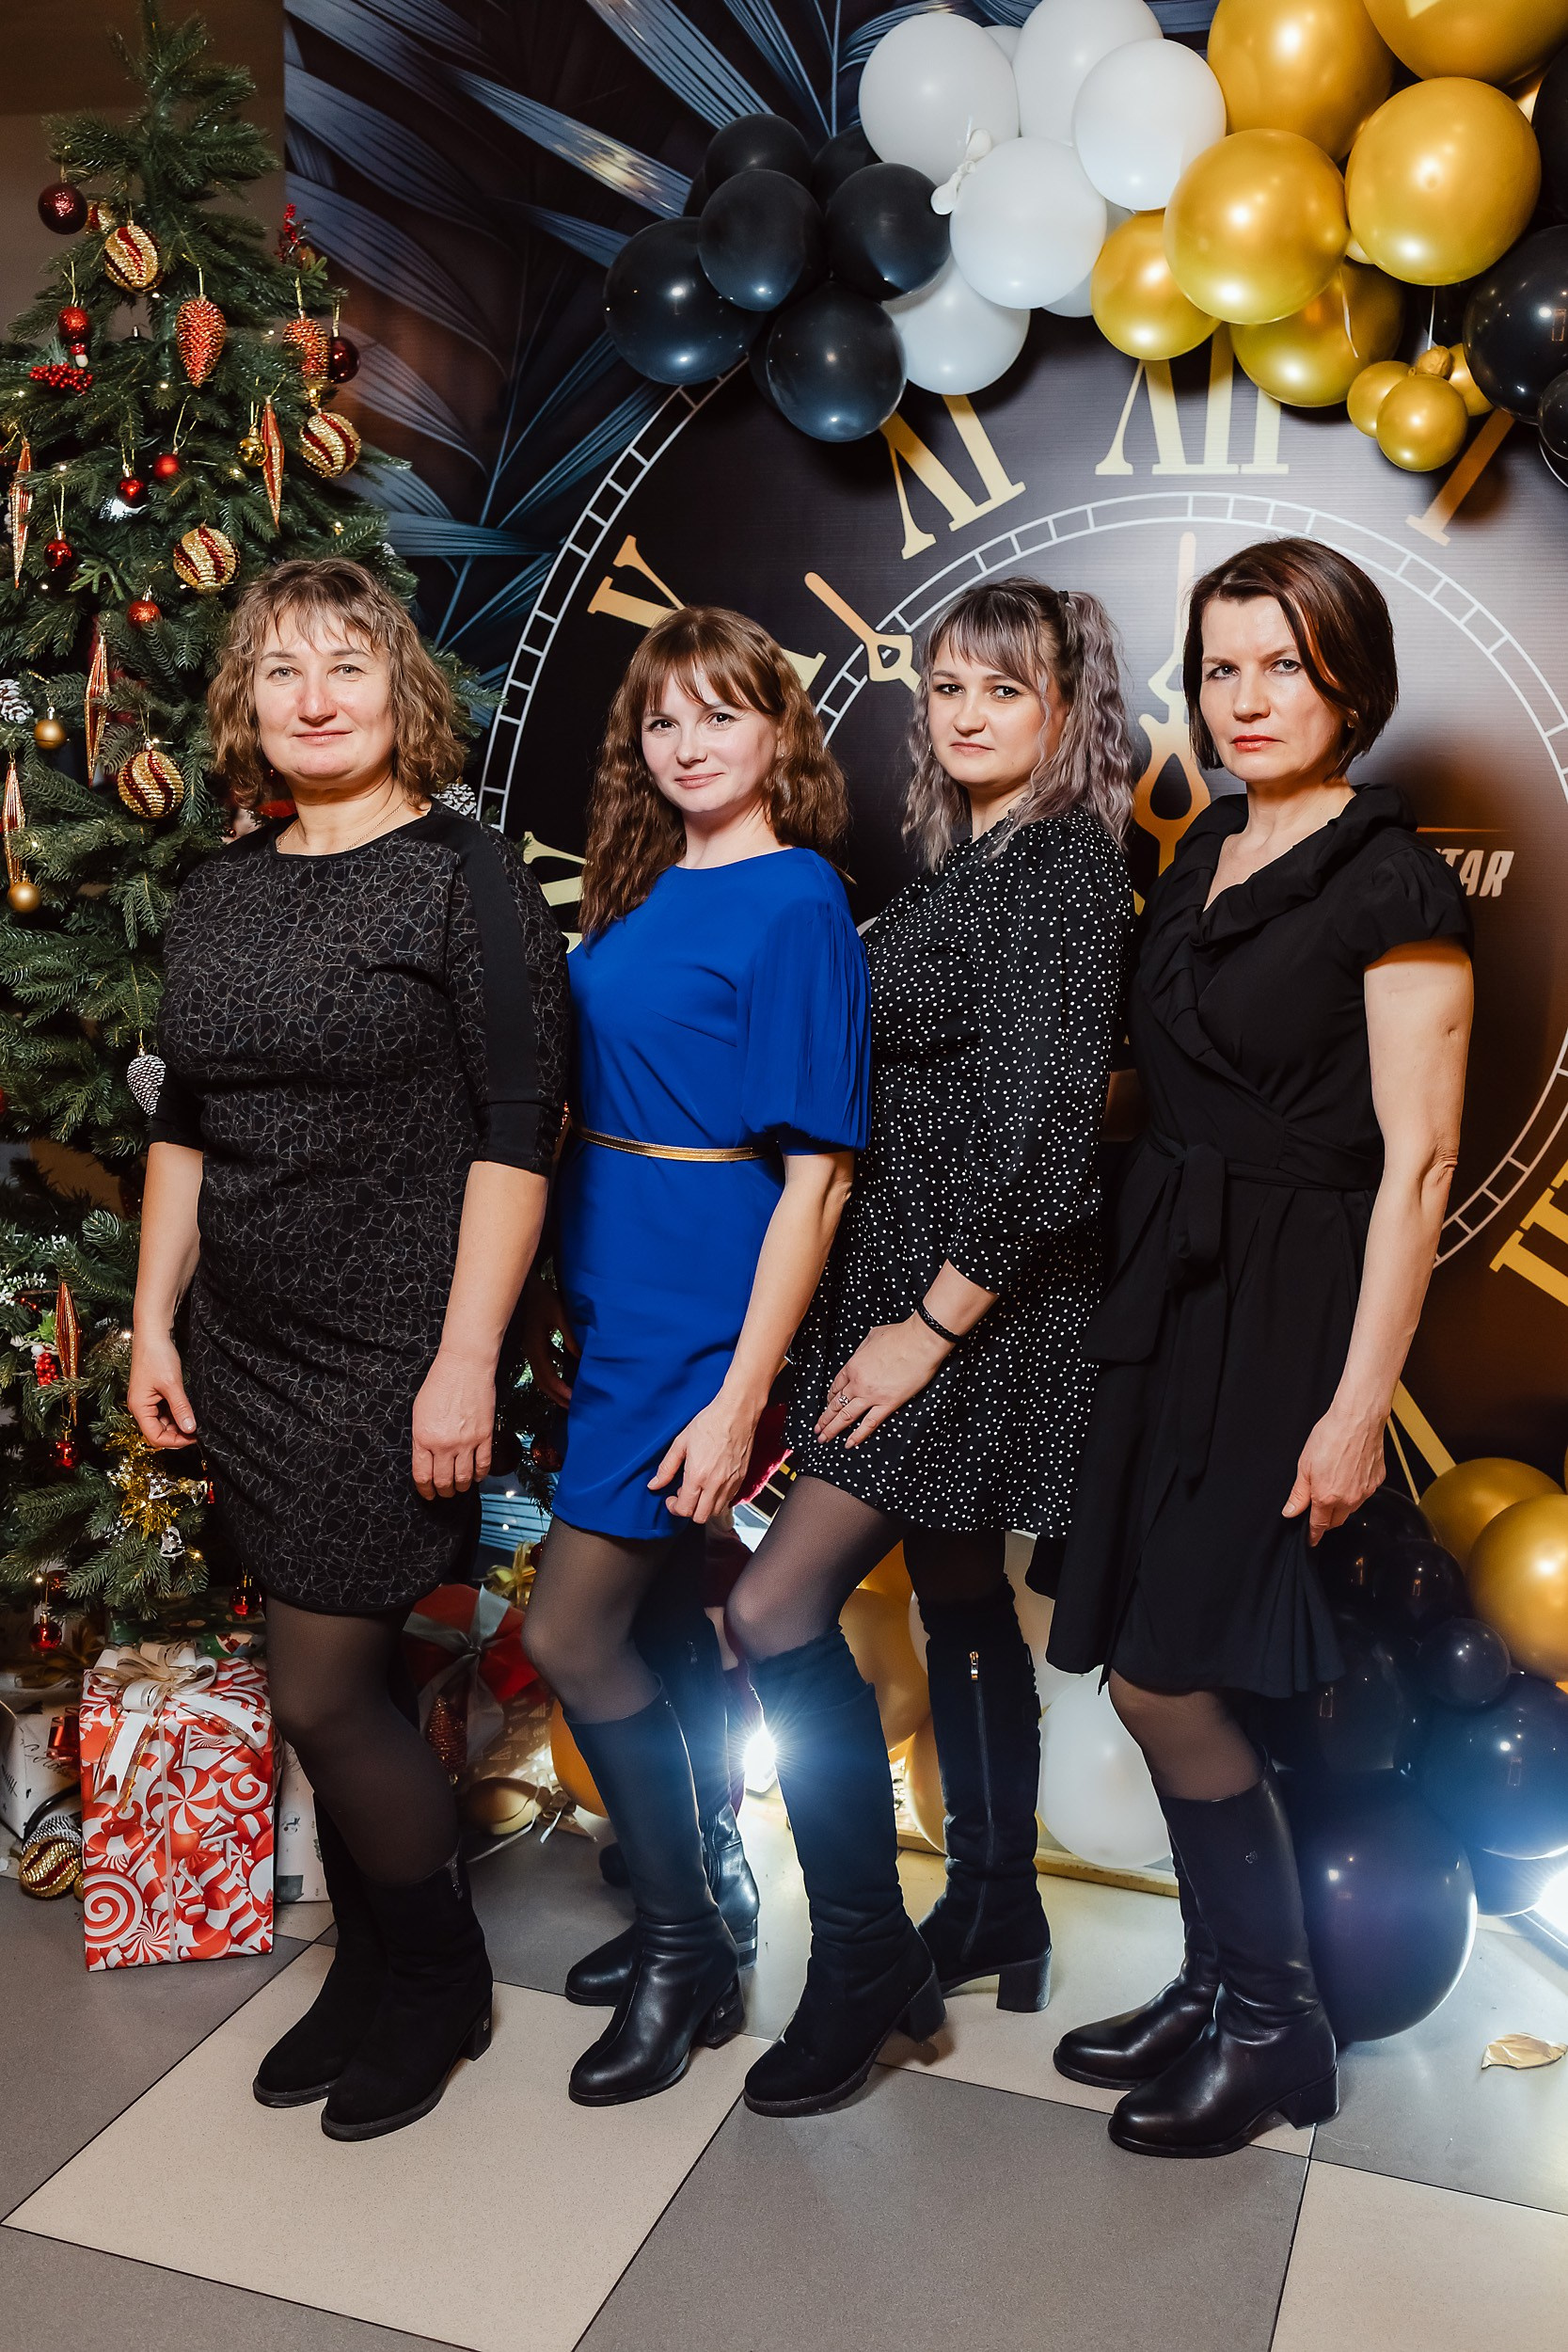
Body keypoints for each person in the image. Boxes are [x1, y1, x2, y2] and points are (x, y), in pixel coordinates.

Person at [128, 558, 568, 2142]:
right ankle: (372, 1963)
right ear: (245, 702)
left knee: (320, 1696)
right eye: (282, 671)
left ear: (402, 691)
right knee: (352, 1675)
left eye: (348, 667)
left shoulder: (467, 876)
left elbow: (521, 1130)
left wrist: (466, 1359)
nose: (315, 700)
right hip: (243, 1342)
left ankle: (440, 1979)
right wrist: (153, 1320)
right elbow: (184, 1123)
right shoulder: (221, 886)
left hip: (393, 1345)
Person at [1048, 538, 1473, 2158]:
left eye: (1281, 664)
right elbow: (1165, 1082)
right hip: (1170, 1284)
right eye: (1220, 666)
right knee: (1156, 1658)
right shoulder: (1207, 849)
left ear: (1349, 681)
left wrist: (1358, 1406)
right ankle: (1220, 1983)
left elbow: (1418, 1167)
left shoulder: (1393, 883)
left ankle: (1277, 2031)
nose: (1245, 698)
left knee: (1168, 1676)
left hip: (1295, 1305)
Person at [723, 576, 1136, 2119]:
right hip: (916, 1288)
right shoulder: (984, 859)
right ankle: (996, 1901)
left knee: (771, 1608)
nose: (965, 714)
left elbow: (1047, 1144)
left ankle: (861, 1961)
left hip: (965, 1309)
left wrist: (923, 1329)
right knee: (961, 1596)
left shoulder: (1064, 870)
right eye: (947, 686)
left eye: (1003, 690)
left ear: (1068, 709)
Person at [519, 607, 870, 2107]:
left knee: (568, 1634)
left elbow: (819, 1183)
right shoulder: (650, 880)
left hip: (697, 1304)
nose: (688, 744)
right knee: (660, 1623)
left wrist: (739, 1399)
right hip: (612, 1278)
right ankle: (704, 1907)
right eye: (663, 720)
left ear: (780, 731)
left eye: (722, 714)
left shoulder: (796, 898)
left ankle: (686, 1953)